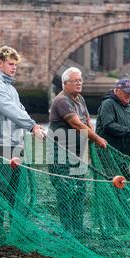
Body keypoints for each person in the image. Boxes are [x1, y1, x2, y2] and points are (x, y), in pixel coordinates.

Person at [0, 46, 46, 235]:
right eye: (10, 64)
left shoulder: (11, 88)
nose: (14, 68)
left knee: (15, 191)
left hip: (15, 145)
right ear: (0, 63)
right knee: (0, 187)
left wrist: (36, 126)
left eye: (15, 65)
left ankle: (15, 230)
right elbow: (9, 109)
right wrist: (32, 126)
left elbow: (21, 110)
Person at [48, 67, 107, 235]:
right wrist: (97, 138)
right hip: (60, 155)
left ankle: (78, 228)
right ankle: (68, 229)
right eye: (75, 81)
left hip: (78, 155)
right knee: (65, 191)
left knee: (80, 190)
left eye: (80, 80)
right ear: (65, 83)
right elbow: (76, 124)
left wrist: (92, 135)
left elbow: (87, 120)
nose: (79, 83)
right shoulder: (62, 101)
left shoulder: (80, 99)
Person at [95, 77, 130, 233]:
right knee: (111, 191)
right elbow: (109, 126)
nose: (129, 96)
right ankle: (109, 229)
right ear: (117, 90)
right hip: (107, 155)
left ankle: (123, 227)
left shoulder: (129, 108)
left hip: (123, 157)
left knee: (125, 191)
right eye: (126, 93)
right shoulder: (108, 104)